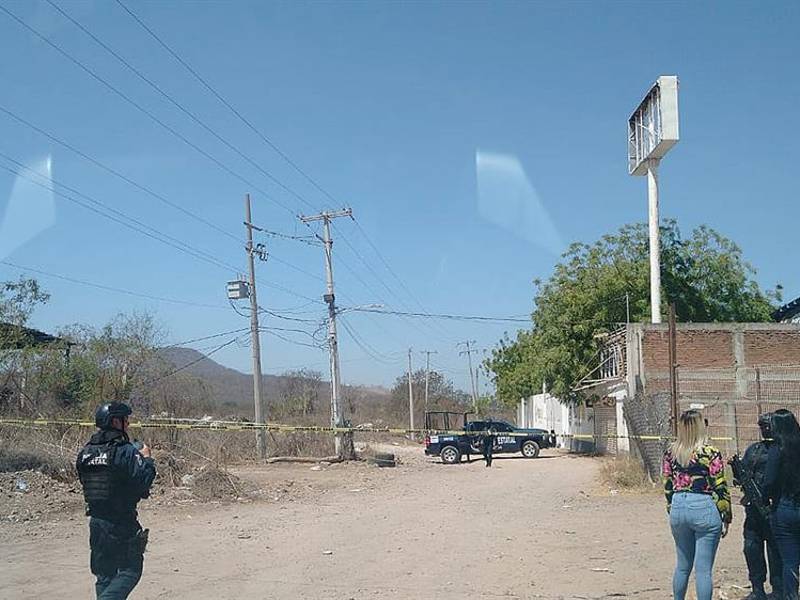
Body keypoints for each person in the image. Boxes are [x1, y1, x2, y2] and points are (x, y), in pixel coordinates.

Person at [76, 402, 156, 600]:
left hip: (96, 522)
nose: (128, 424)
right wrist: (147, 459)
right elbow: (144, 481)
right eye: (125, 420)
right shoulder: (126, 451)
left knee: (104, 576)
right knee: (131, 570)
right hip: (122, 522)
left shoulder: (85, 452)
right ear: (115, 421)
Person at [662, 409, 731, 600]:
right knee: (703, 570)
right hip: (704, 504)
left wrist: (671, 507)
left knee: (682, 566)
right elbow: (720, 486)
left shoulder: (671, 452)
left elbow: (667, 483)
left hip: (678, 504)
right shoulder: (710, 452)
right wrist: (726, 515)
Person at [735, 413, 784, 600]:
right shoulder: (754, 450)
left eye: (768, 426)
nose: (765, 430)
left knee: (775, 550)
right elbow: (743, 475)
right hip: (754, 510)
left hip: (774, 508)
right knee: (751, 547)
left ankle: (778, 588)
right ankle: (757, 588)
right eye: (762, 427)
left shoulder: (783, 450)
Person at [765, 409, 800, 600]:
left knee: (789, 560)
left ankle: (791, 595)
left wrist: (765, 497)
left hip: (785, 506)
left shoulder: (777, 450)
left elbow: (769, 481)